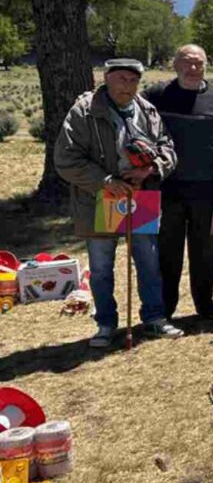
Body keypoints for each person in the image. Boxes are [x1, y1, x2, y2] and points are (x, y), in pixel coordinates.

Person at [55, 58, 183, 347]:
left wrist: (149, 170)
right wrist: (105, 182)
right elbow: (66, 159)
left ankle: (154, 319)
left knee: (149, 261)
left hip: (141, 196)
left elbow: (167, 148)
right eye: (121, 79)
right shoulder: (84, 111)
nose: (127, 85)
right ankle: (105, 325)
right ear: (106, 78)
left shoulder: (147, 110)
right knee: (101, 267)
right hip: (100, 198)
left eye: (132, 80)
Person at [143, 44, 213, 321]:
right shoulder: (156, 95)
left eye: (199, 63)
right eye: (187, 62)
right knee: (166, 251)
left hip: (207, 189)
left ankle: (205, 305)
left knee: (205, 251)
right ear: (175, 65)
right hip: (165, 190)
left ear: (206, 66)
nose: (193, 68)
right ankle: (164, 309)